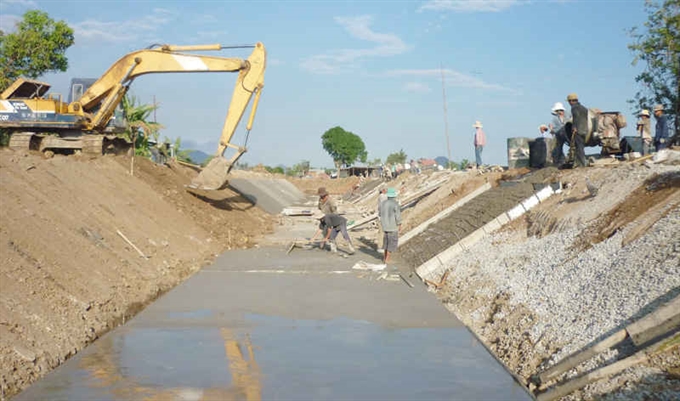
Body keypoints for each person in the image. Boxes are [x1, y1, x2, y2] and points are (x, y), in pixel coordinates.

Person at [378, 187, 401, 265]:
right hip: (392, 226)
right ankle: (387, 259)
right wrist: (399, 224)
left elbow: (380, 213)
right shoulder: (395, 204)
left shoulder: (383, 203)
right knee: (391, 243)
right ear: (394, 196)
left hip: (385, 225)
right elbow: (397, 216)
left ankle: (384, 257)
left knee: (386, 242)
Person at [566, 93, 588, 168]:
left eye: (569, 101)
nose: (569, 103)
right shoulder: (584, 108)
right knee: (581, 146)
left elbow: (576, 117)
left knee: (579, 147)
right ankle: (581, 162)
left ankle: (581, 164)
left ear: (571, 101)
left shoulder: (574, 108)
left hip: (578, 130)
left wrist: (574, 127)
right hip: (585, 129)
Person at [375, 188, 388, 252]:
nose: (387, 190)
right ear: (383, 190)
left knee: (382, 232)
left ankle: (381, 246)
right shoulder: (382, 196)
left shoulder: (381, 196)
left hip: (382, 217)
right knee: (382, 232)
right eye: (386, 189)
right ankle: (380, 247)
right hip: (382, 217)